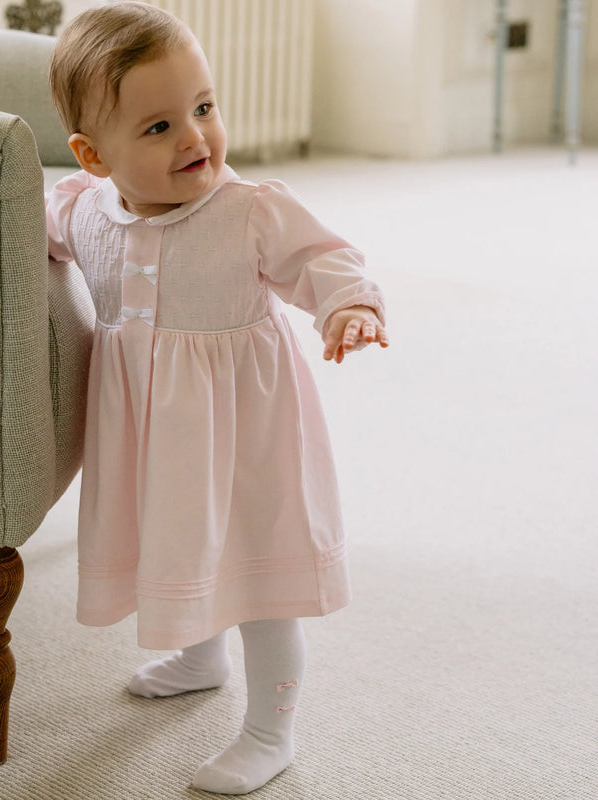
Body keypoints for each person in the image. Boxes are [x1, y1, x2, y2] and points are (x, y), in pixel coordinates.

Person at [46, 3, 388, 794]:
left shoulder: (249, 211)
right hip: (158, 443)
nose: (197, 136)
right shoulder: (82, 210)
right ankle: (202, 656)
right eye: (159, 127)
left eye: (203, 107)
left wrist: (351, 306)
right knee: (181, 546)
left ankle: (272, 730)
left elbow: (325, 258)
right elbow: (21, 224)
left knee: (261, 576)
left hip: (249, 439)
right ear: (94, 157)